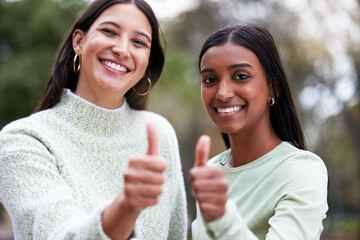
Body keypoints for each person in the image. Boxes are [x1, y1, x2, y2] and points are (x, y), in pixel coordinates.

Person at [0, 0, 187, 239]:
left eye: (138, 42)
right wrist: (125, 208)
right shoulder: (22, 141)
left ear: (147, 62)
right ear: (79, 41)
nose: (122, 49)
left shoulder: (159, 133)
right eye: (110, 32)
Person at [190, 24, 328, 240]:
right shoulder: (211, 171)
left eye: (241, 76)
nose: (223, 93)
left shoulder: (300, 171)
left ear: (273, 87)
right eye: (210, 80)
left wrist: (222, 217)